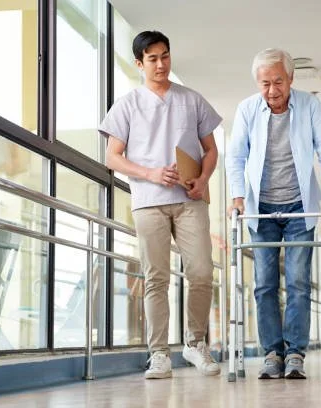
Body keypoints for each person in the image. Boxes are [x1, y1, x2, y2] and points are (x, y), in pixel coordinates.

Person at [99, 31, 222, 379]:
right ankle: (159, 354)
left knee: (200, 271)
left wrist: (204, 179)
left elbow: (211, 150)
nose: (160, 64)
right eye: (152, 59)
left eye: (165, 56)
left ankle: (195, 343)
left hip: (189, 199)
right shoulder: (127, 104)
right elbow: (112, 157)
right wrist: (150, 173)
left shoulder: (192, 100)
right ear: (139, 64)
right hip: (149, 202)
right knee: (157, 278)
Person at [225, 48, 321, 379]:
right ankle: (272, 353)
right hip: (259, 210)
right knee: (263, 284)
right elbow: (234, 157)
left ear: (291, 78)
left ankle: (295, 353)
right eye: (265, 83)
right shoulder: (247, 110)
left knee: (298, 282)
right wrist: (237, 197)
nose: (272, 90)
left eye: (279, 81)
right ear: (257, 83)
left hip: (298, 209)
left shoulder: (309, 106)